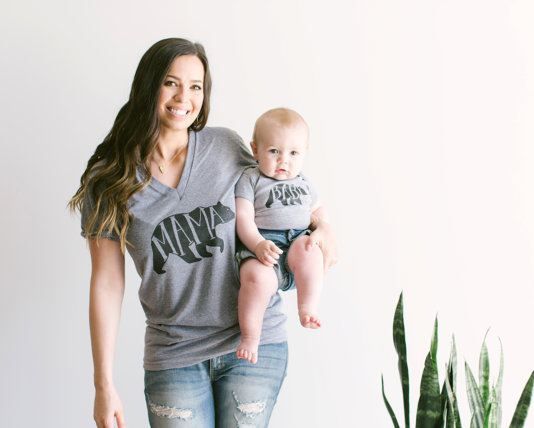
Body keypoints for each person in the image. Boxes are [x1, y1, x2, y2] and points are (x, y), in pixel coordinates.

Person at [69, 38, 337, 428]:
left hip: (255, 344)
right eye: (171, 82)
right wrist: (103, 384)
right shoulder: (110, 179)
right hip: (173, 355)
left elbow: (284, 190)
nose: (184, 97)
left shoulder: (226, 147)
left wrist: (324, 227)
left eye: (195, 86)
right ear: (148, 86)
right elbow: (107, 283)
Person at [235, 108, 325, 365]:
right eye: (274, 151)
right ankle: (250, 337)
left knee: (310, 249)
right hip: (264, 246)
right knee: (256, 279)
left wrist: (323, 230)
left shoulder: (304, 182)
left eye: (293, 153)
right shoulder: (251, 179)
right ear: (255, 150)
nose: (284, 160)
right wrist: (257, 244)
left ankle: (307, 308)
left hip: (297, 240)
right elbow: (243, 217)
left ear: (304, 152)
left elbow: (318, 210)